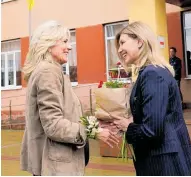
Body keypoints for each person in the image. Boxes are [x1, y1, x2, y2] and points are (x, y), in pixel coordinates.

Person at [20, 21, 118, 176]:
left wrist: (94, 123)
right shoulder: (48, 72)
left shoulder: (49, 70)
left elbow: (63, 113)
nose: (70, 47)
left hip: (55, 163)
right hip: (56, 166)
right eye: (65, 41)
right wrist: (92, 132)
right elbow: (53, 125)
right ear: (49, 43)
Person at [112, 21, 191, 176]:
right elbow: (157, 120)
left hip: (162, 163)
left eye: (123, 43)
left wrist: (127, 127)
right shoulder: (153, 72)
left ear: (139, 41)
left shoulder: (152, 74)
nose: (119, 49)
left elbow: (152, 131)